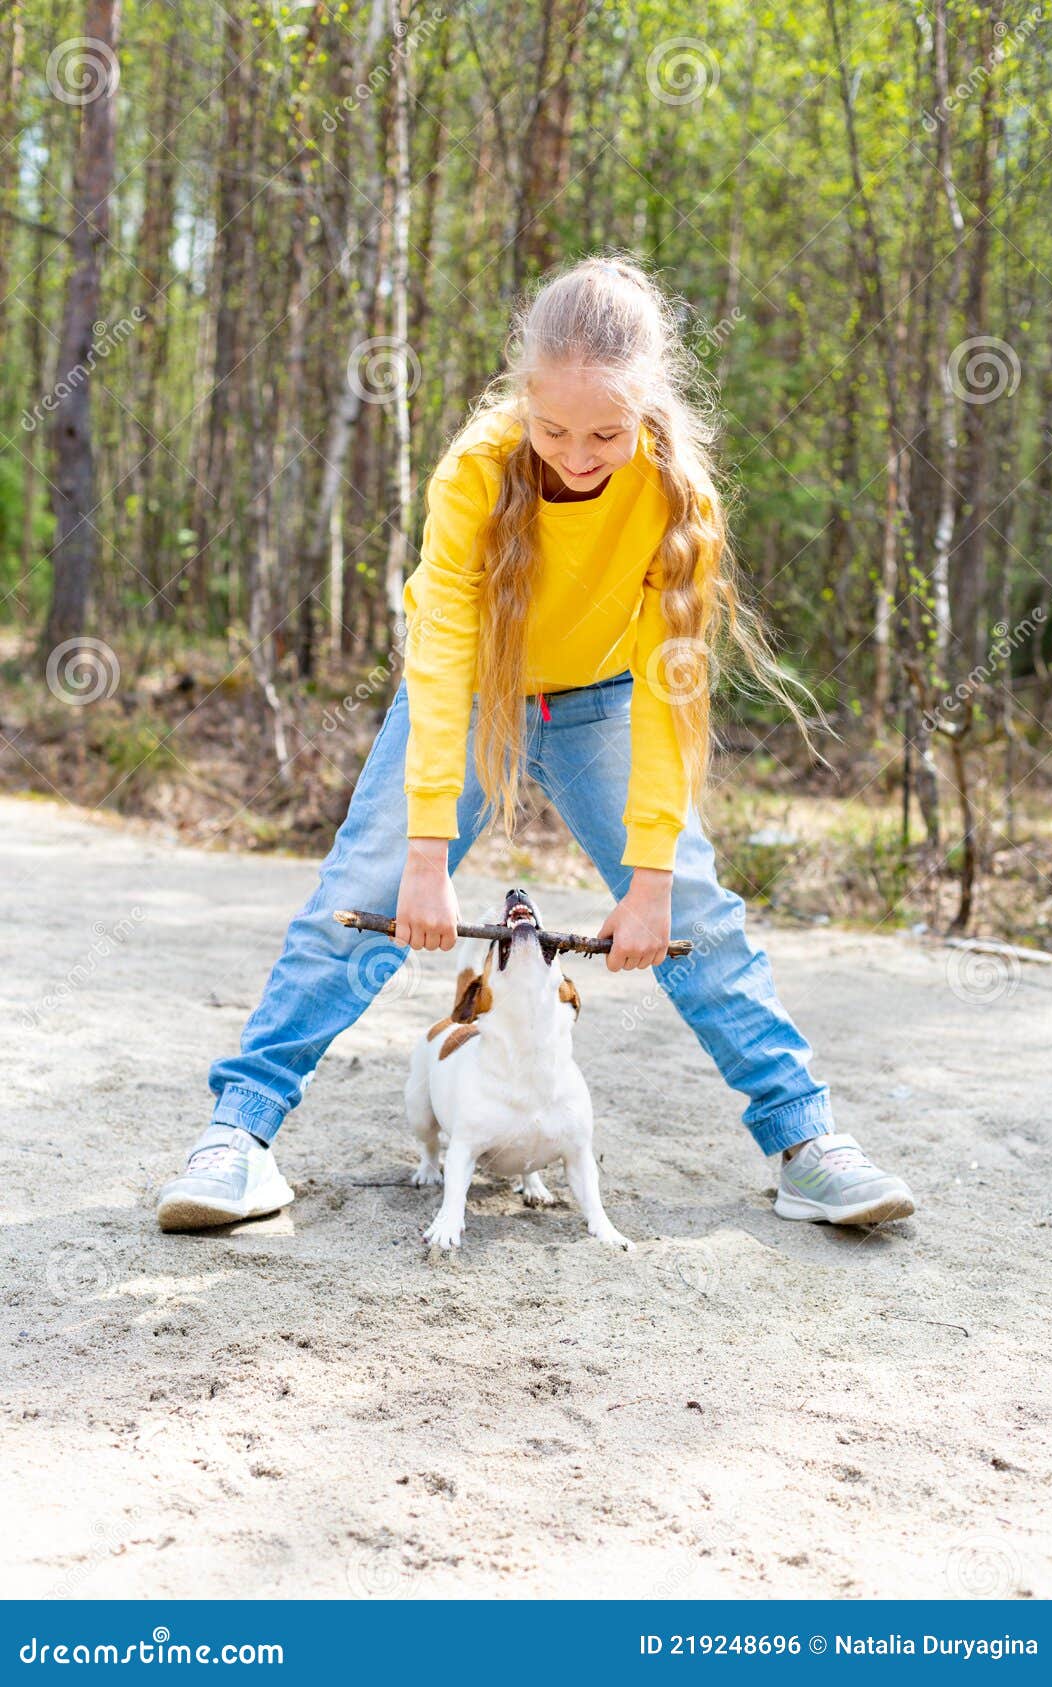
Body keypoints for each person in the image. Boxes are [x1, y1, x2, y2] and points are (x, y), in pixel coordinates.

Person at [156, 254, 915, 1235]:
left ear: (645, 408)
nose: (577, 452)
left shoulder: (675, 499)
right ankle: (237, 1137)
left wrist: (645, 881)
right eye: (552, 428)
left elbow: (668, 694)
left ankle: (806, 1144)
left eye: (605, 431)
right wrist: (425, 856)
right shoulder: (474, 472)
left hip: (605, 700)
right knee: (361, 890)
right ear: (523, 396)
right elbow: (436, 666)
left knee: (696, 908)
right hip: (470, 693)